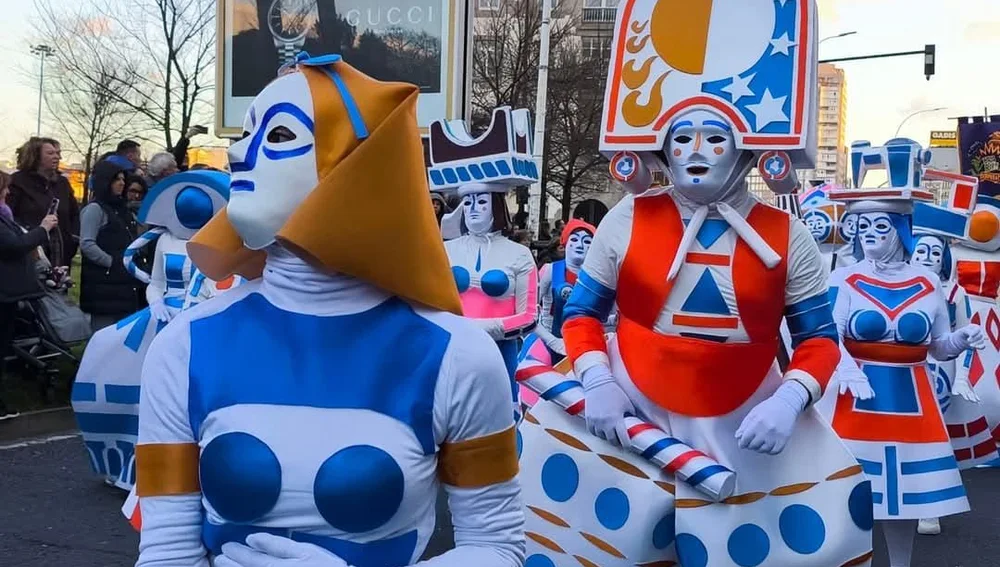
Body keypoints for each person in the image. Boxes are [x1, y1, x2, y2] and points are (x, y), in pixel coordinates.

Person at [132, 53, 523, 567]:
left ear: (360, 165)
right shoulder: (183, 346)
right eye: (245, 134)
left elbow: (498, 547)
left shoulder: (459, 354)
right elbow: (165, 554)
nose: (238, 153)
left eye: (276, 137)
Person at [523, 2, 874, 565]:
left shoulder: (788, 235)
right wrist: (595, 380)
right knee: (601, 549)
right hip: (628, 409)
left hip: (748, 424)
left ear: (747, 148)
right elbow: (583, 314)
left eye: (714, 136)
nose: (694, 151)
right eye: (681, 137)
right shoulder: (627, 216)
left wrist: (788, 402)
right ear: (662, 146)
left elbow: (818, 340)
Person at [827, 139, 984, 567]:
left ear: (900, 231)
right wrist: (848, 369)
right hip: (853, 400)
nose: (871, 236)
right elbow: (827, 336)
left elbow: (938, 346)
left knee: (905, 500)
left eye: (881, 226)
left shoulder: (928, 284)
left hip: (912, 401)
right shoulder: (845, 278)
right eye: (863, 228)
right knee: (851, 493)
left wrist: (965, 338)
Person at [0, 170, 58, 419]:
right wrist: (42, 229)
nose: (8, 192)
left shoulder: (5, 216)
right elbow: (14, 246)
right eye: (4, 188)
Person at [79, 160, 142, 331]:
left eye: (123, 179)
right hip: (103, 284)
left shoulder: (123, 210)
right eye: (116, 179)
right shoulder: (95, 210)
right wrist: (111, 262)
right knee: (103, 333)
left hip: (123, 282)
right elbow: (87, 243)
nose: (121, 183)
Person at [9, 137, 80, 268]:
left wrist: (73, 240)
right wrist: (28, 237)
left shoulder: (62, 184)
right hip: (31, 254)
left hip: (61, 254)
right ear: (35, 156)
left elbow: (74, 214)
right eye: (50, 153)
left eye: (57, 153)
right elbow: (10, 216)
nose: (57, 157)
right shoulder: (17, 182)